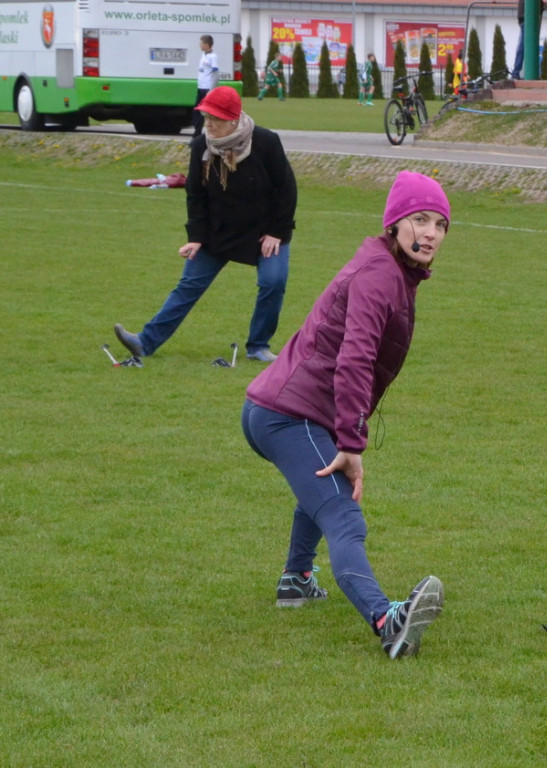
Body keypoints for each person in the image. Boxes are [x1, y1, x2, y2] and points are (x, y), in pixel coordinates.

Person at [240, 170, 450, 659]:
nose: (431, 233)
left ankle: (296, 579)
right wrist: (352, 442)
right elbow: (355, 357)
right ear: (395, 223)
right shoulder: (381, 273)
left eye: (440, 224)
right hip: (288, 414)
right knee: (343, 515)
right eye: (420, 220)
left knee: (318, 490)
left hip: (283, 409)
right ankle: (387, 620)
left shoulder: (390, 268)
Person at [114, 86, 296, 363]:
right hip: (218, 232)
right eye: (206, 117)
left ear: (234, 119)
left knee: (274, 281)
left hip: (264, 233)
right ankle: (145, 342)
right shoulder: (201, 146)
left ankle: (258, 346)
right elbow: (195, 195)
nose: (209, 124)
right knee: (189, 284)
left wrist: (276, 233)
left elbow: (286, 190)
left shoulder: (266, 142)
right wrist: (196, 237)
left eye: (216, 119)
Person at [192, 35, 219, 138]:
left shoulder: (213, 57)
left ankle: (197, 133)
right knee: (196, 110)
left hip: (207, 87)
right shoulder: (204, 55)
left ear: (207, 45)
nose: (200, 45)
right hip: (201, 86)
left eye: (201, 43)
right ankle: (197, 131)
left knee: (202, 111)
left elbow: (216, 73)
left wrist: (211, 89)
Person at [511, 0, 545, 79]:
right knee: (523, 47)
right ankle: (516, 72)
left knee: (524, 47)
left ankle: (517, 72)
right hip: (528, 18)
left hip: (526, 18)